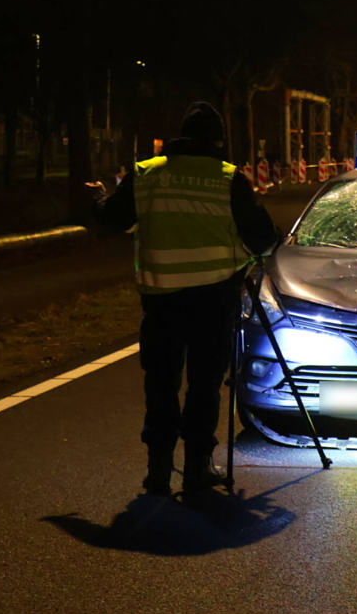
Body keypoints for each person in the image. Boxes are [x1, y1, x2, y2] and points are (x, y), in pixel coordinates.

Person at [87, 102, 278, 496]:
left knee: (160, 386)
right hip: (214, 299)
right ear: (219, 141)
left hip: (161, 301)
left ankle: (158, 470)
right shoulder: (229, 179)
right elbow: (262, 240)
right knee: (204, 387)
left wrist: (99, 198)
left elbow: (112, 221)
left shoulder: (146, 173)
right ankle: (197, 468)